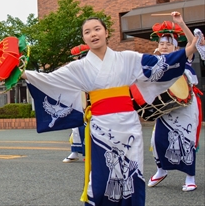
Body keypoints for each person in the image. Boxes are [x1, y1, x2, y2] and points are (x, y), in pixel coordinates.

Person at [22, 17, 199, 206]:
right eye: (87, 32)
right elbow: (49, 80)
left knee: (132, 173)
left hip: (128, 124)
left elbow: (159, 64)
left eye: (97, 29)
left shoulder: (128, 58)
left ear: (106, 33)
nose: (93, 34)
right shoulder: (78, 67)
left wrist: (188, 50)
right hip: (101, 127)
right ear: (84, 38)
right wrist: (21, 72)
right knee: (101, 176)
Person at [147, 13, 203, 192]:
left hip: (186, 105)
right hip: (166, 107)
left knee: (186, 140)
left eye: (168, 44)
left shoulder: (182, 57)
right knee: (158, 140)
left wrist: (181, 23)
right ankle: (161, 170)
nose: (164, 46)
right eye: (161, 44)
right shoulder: (156, 62)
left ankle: (190, 177)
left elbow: (193, 42)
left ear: (175, 47)